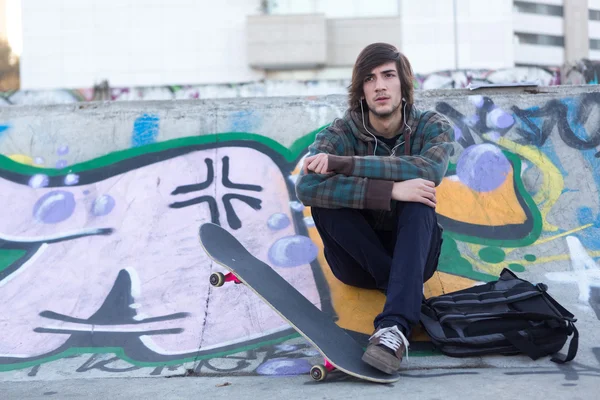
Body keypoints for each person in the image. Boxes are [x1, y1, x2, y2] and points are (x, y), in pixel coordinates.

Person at [295, 43, 454, 374]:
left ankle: (393, 330)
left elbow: (431, 171)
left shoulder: (430, 126)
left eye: (388, 75)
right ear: (361, 90)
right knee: (327, 204)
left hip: (414, 256)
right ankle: (403, 292)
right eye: (369, 78)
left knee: (420, 198)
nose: (379, 85)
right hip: (354, 262)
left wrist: (348, 165)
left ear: (403, 83)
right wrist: (392, 190)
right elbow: (307, 186)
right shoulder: (340, 133)